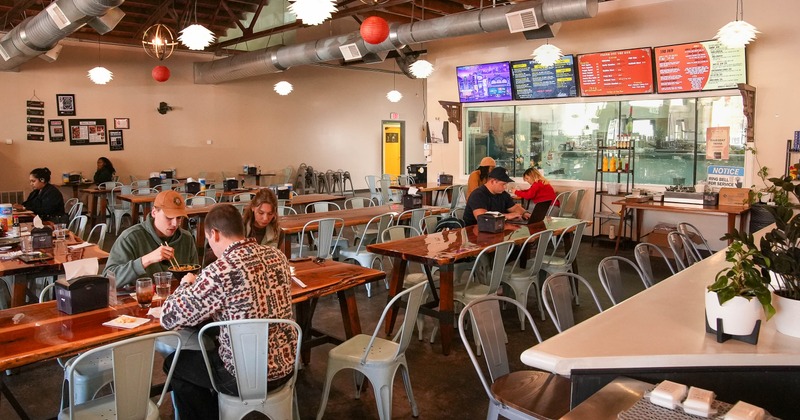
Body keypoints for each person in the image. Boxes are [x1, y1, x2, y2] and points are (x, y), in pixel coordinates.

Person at [160, 204, 296, 420]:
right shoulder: (277, 257)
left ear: (214, 234)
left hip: (243, 379)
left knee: (175, 363)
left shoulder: (219, 271)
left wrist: (186, 284)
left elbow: (169, 317)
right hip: (287, 367)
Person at [104, 190, 198, 288]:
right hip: (141, 298)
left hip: (178, 299)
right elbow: (108, 281)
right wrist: (146, 260)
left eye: (179, 218)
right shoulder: (130, 238)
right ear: (154, 212)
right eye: (169, 217)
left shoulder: (186, 238)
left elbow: (195, 277)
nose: (175, 224)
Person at [463, 167, 529, 226]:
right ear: (493, 181)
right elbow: (482, 217)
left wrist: (525, 213)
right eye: (503, 184)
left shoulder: (503, 194)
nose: (505, 187)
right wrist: (507, 216)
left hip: (497, 228)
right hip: (474, 231)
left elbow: (514, 208)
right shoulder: (477, 195)